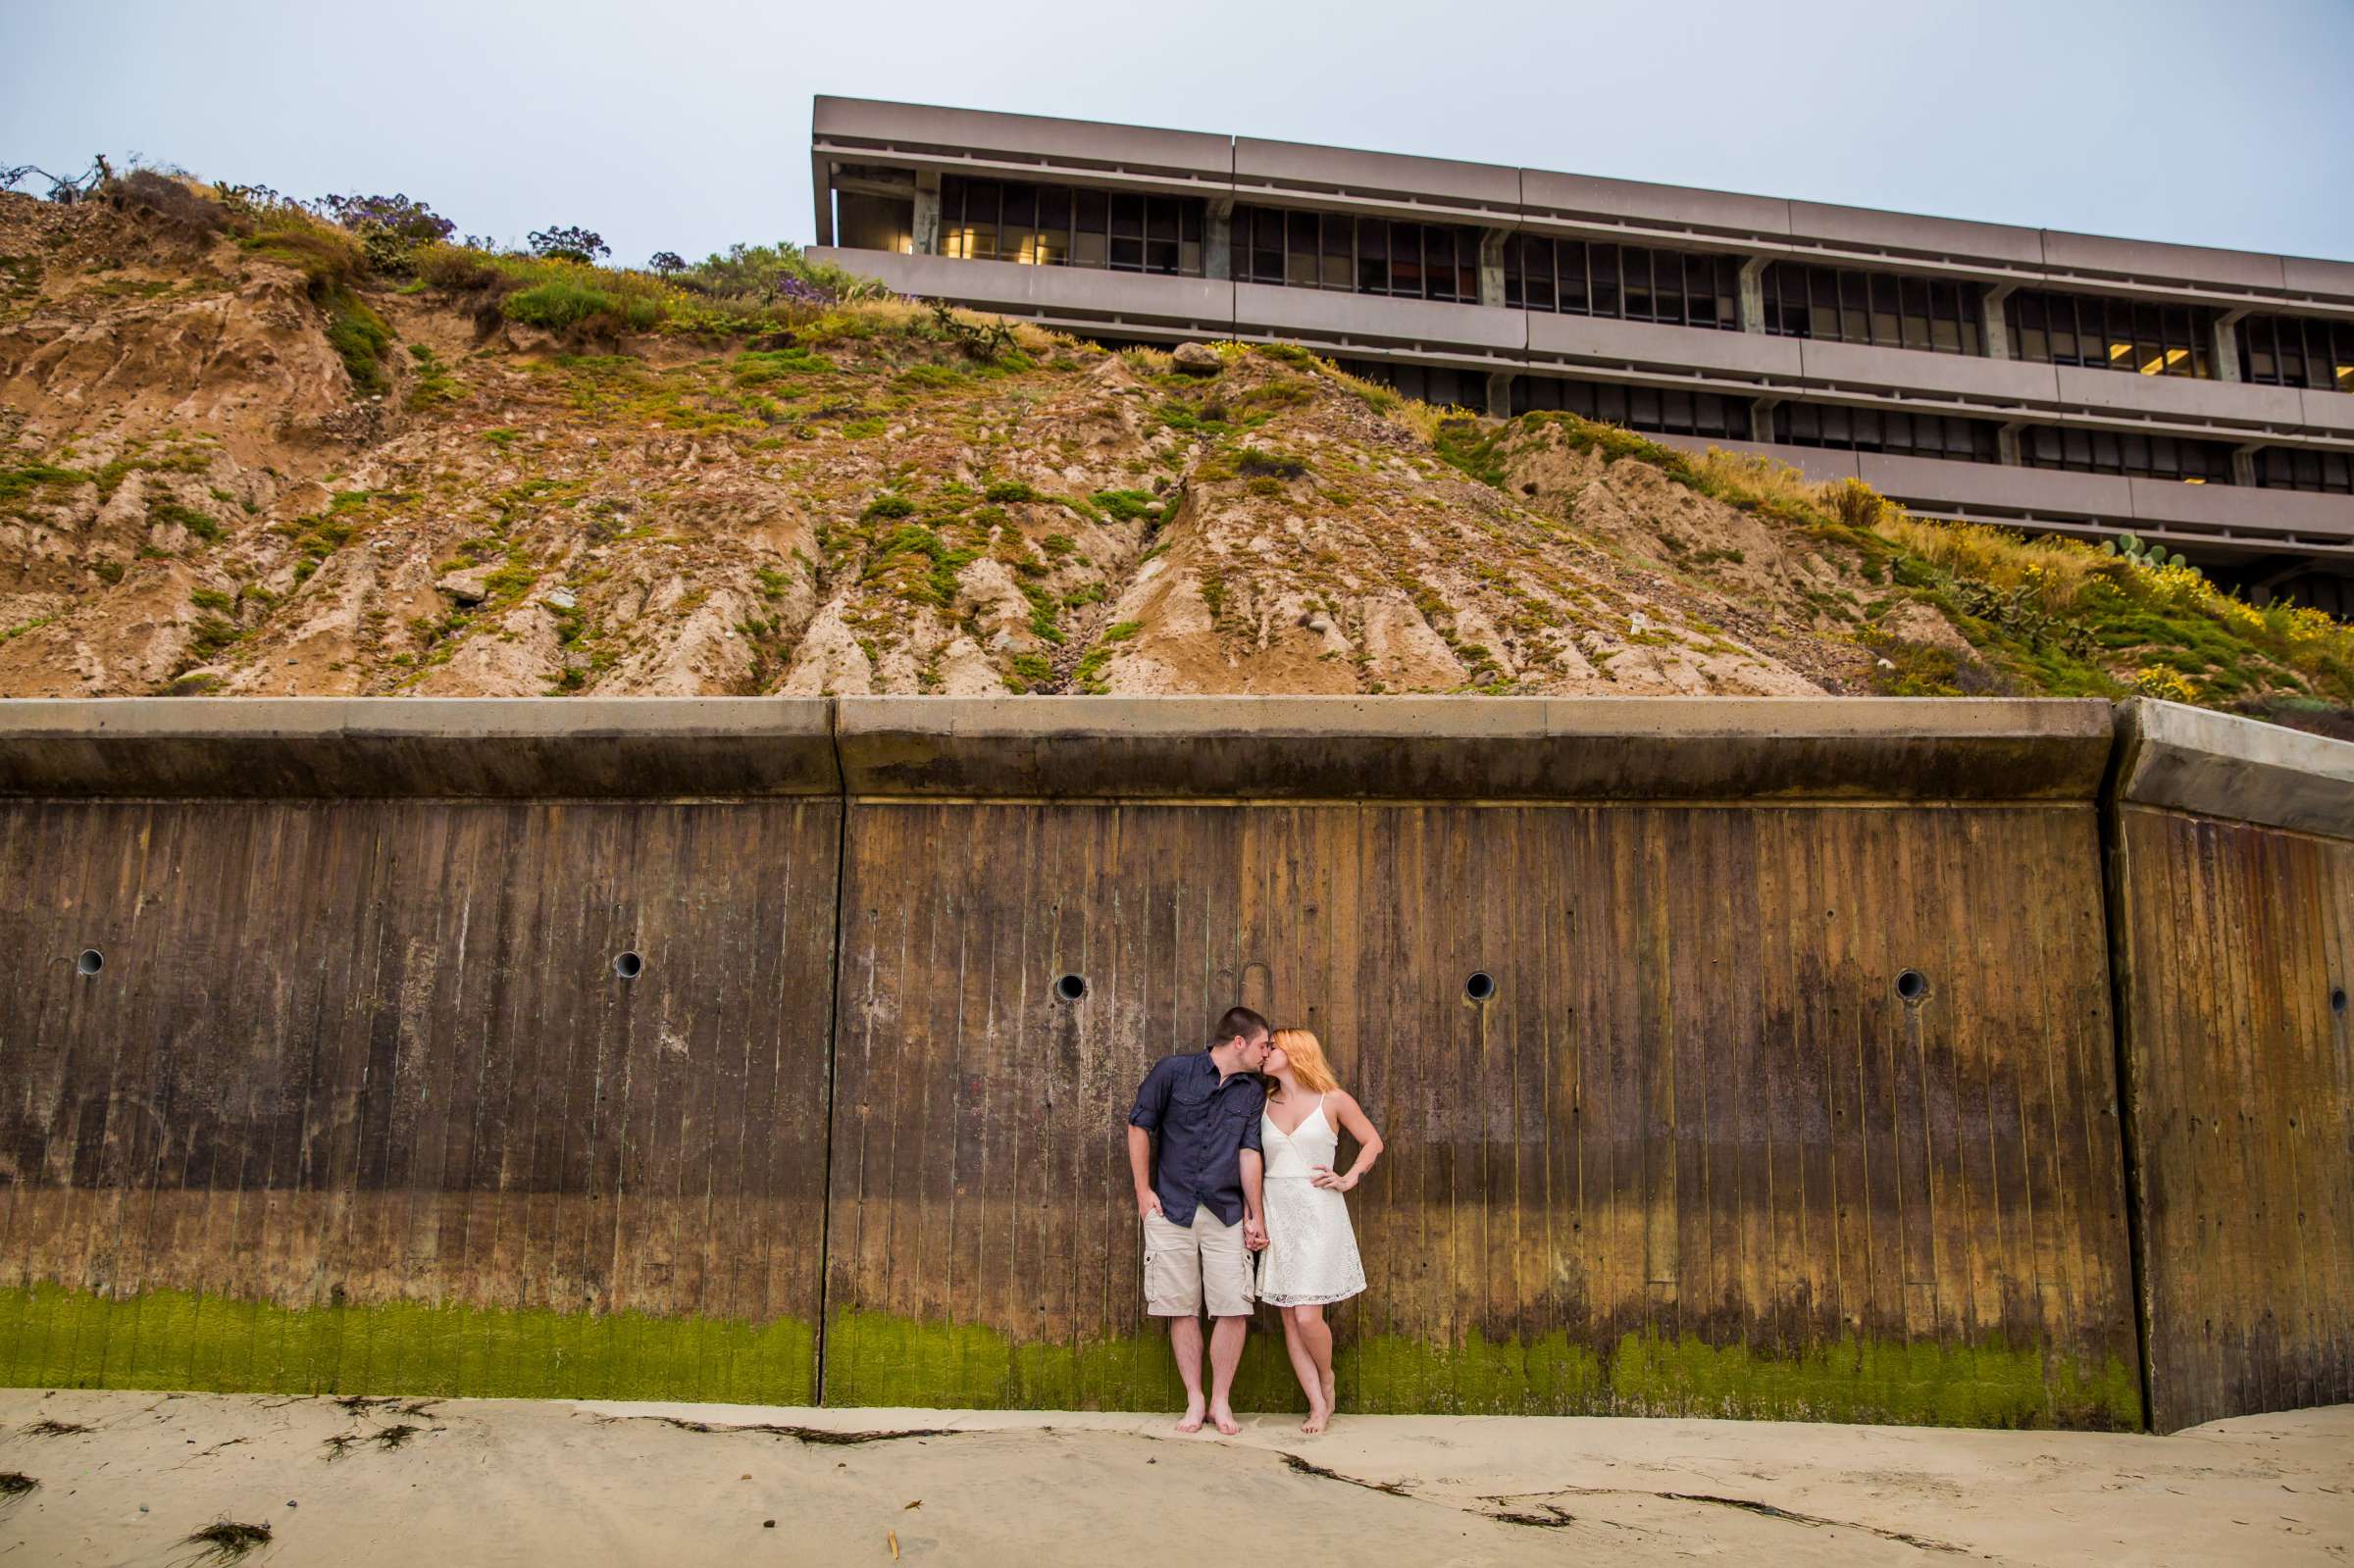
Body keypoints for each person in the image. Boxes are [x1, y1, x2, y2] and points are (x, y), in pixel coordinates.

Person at [1125, 1005, 1273, 1436]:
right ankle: (1195, 1398)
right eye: (1264, 1044)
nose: (1268, 1052)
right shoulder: (1173, 1071)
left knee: (1233, 1307)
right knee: (1180, 1307)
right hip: (1171, 1208)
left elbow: (1250, 1153)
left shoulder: (1251, 1091)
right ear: (1240, 1042)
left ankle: (1221, 1401)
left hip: (1226, 1213)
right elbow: (1139, 1126)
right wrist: (1142, 1193)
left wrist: (1255, 1214)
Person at [1255, 1027, 1381, 1436]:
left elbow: (1372, 1142)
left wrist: (1349, 1178)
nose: (1265, 1052)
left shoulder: (1334, 1100)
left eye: (1272, 1046)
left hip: (1318, 1214)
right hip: (1278, 1213)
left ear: (1294, 1052)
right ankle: (1316, 1405)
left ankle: (1326, 1376)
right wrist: (1252, 1215)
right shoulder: (1262, 1102)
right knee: (1290, 1318)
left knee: (1309, 1315)